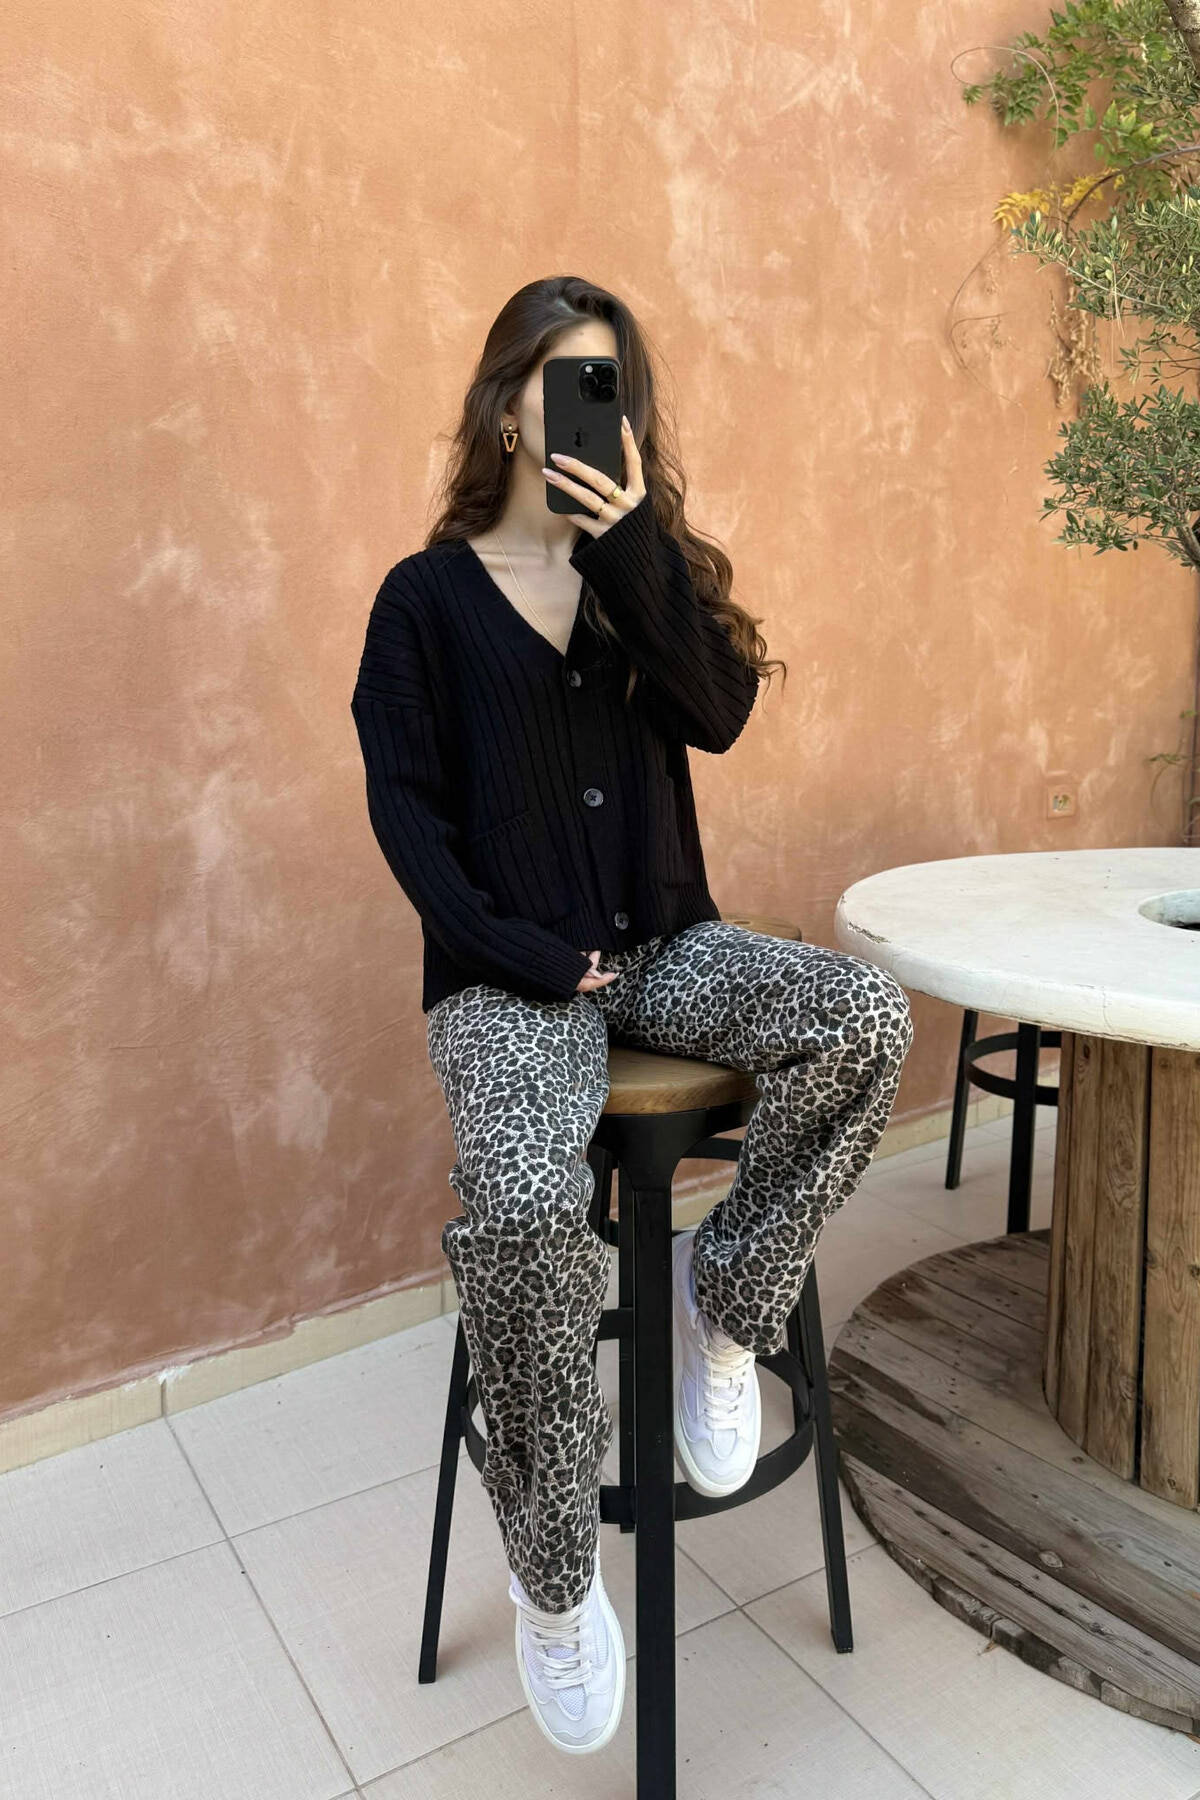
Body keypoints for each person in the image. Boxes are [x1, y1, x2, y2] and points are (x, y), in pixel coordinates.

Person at [350, 274, 914, 1757]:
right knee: (526, 1202)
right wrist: (527, 956)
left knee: (863, 1018)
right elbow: (408, 820)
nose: (584, 410)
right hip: (509, 976)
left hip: (666, 948)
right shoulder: (421, 602)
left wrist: (633, 546)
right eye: (561, 380)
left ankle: (723, 1301)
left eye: (609, 386)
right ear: (505, 406)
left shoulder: (635, 578)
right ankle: (553, 1575)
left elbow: (721, 711)